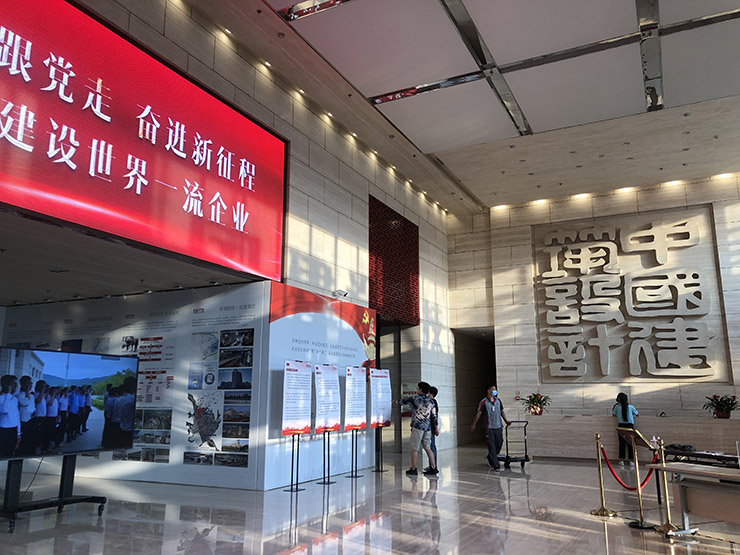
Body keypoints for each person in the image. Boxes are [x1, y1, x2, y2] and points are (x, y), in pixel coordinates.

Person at [395, 381, 438, 476]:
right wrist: (435, 427)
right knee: (428, 448)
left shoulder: (415, 399)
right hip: (427, 428)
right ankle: (433, 468)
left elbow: (401, 402)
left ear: (421, 390)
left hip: (417, 427)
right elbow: (434, 416)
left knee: (414, 448)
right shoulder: (431, 402)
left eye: (418, 388)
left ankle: (414, 468)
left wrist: (393, 402)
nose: (417, 390)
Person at [471, 384, 511, 470]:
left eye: (495, 389)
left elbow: (502, 411)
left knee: (499, 444)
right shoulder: (483, 402)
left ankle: (490, 456)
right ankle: (496, 465)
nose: (495, 391)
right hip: (489, 428)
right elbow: (478, 413)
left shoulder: (498, 401)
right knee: (491, 446)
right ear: (489, 391)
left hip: (498, 426)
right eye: (493, 389)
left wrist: (506, 421)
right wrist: (474, 424)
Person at [612, 392, 638, 467]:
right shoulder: (630, 407)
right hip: (630, 426)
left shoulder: (617, 407)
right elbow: (637, 414)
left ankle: (621, 460)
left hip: (621, 426)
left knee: (622, 443)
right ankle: (631, 460)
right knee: (630, 443)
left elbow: (614, 414)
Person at [0, 375, 21, 459]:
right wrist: (8, 395)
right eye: (13, 383)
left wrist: (18, 433)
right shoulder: (1, 398)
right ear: (6, 385)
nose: (15, 386)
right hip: (3, 430)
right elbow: (4, 411)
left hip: (13, 429)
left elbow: (17, 416)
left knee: (10, 453)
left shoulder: (14, 399)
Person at [15, 376, 35, 456]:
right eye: (29, 383)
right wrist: (27, 391)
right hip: (23, 421)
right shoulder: (20, 395)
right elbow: (25, 403)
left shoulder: (32, 396)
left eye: (31, 383)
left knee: (30, 441)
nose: (30, 385)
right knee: (23, 442)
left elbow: (32, 407)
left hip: (31, 420)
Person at [423, 386, 440, 473]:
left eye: (428, 392)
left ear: (431, 393)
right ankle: (432, 465)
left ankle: (433, 466)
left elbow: (434, 417)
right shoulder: (433, 402)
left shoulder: (432, 403)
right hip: (431, 427)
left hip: (431, 428)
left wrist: (436, 428)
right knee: (431, 446)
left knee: (431, 447)